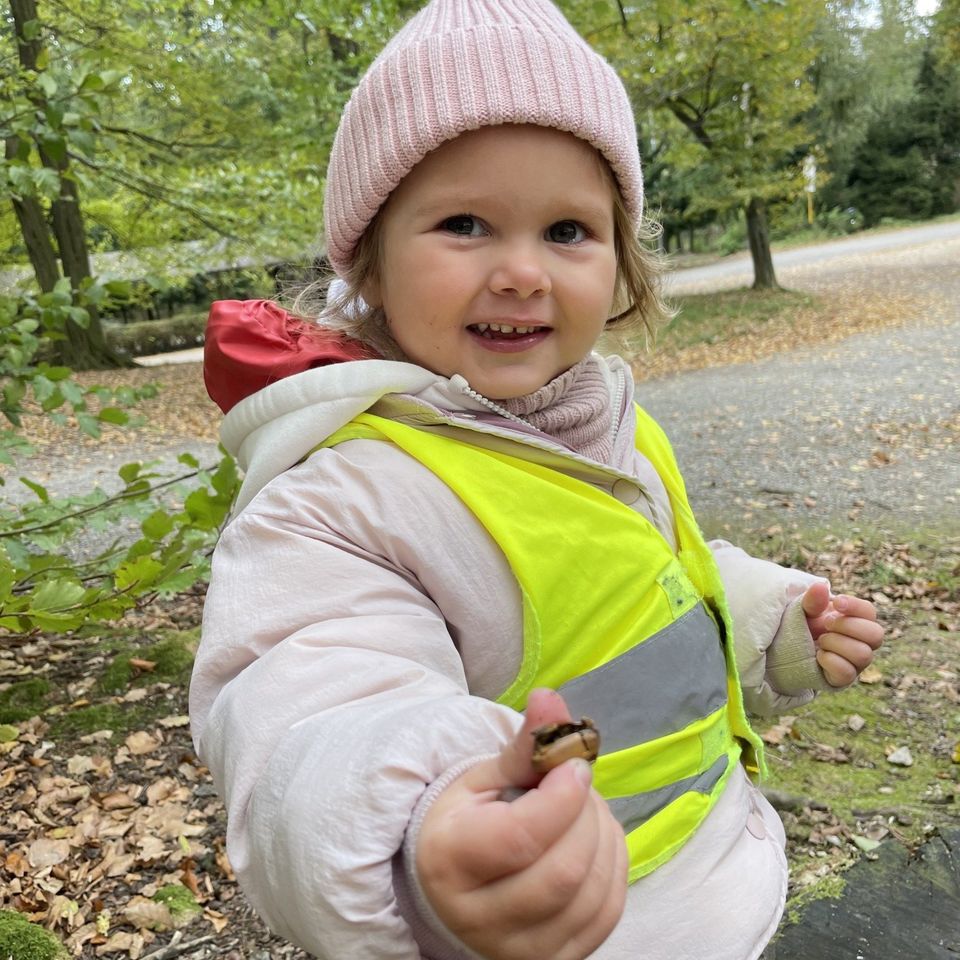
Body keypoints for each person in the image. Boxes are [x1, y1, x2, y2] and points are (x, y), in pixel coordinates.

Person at [189, 2, 884, 958]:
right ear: (371, 268)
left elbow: (644, 584)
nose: (522, 271)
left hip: (725, 887)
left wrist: (769, 623)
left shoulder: (610, 423)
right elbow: (310, 708)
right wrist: (421, 829)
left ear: (622, 263)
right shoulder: (341, 500)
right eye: (464, 223)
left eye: (568, 230)